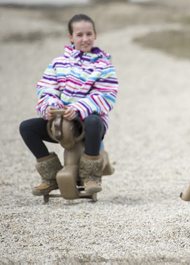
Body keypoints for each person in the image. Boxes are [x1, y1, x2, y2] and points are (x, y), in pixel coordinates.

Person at [19, 14, 118, 194]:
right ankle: (50, 176)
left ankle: (90, 175)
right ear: (71, 37)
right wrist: (51, 108)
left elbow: (106, 96)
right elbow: (45, 88)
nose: (85, 39)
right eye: (79, 35)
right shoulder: (58, 63)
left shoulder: (104, 66)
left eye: (89, 34)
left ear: (95, 35)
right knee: (27, 127)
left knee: (94, 122)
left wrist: (79, 108)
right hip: (59, 122)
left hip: (87, 123)